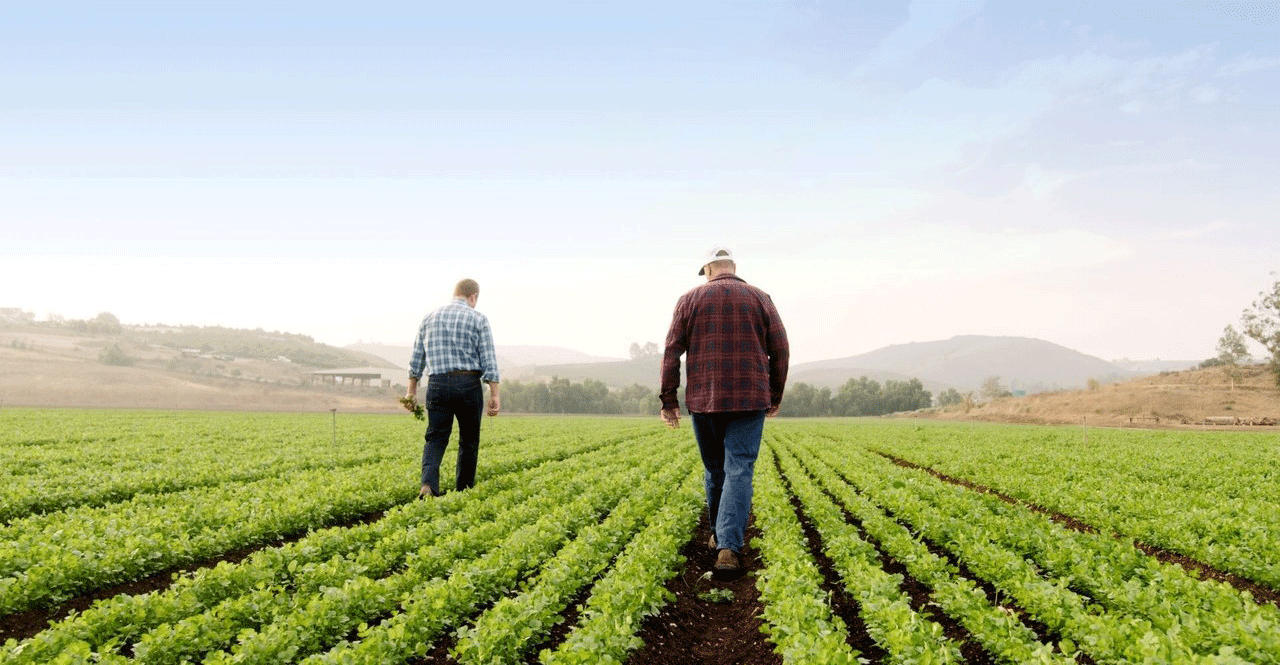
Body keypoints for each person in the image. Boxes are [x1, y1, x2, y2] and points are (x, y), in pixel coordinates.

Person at [660, 246, 789, 580]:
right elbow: (780, 349)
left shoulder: (689, 300)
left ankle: (722, 538)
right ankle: (727, 545)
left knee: (715, 469)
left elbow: (671, 352)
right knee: (739, 469)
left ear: (708, 269)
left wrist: (669, 400)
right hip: (750, 398)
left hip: (704, 399)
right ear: (733, 266)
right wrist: (775, 395)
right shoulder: (761, 298)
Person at [404, 278, 501, 499]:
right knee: (469, 440)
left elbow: (417, 358)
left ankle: (428, 485)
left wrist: (411, 392)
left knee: (435, 438)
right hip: (468, 384)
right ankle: (463, 492)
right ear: (473, 296)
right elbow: (489, 360)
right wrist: (494, 394)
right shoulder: (478, 319)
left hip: (437, 384)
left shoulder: (430, 317)